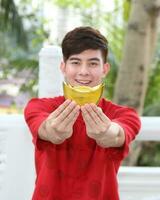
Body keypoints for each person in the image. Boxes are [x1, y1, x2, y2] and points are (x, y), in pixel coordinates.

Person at [24, 26, 141, 200]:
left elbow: (116, 135)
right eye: (75, 62)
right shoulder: (38, 107)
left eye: (93, 63)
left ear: (105, 69)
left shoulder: (125, 115)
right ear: (63, 67)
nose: (84, 71)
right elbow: (46, 129)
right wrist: (53, 131)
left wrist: (106, 133)